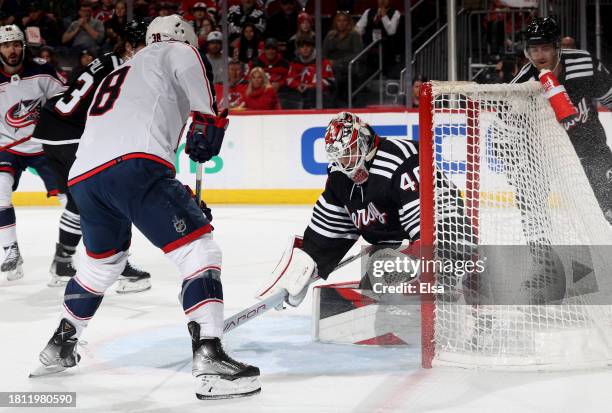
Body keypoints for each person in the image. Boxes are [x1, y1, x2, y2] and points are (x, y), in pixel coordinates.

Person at [31, 14, 261, 400]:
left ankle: (59, 346)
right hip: (135, 167)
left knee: (102, 263)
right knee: (200, 250)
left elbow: (131, 130)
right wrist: (209, 124)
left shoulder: (118, 72)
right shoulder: (177, 50)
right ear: (179, 36)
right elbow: (206, 112)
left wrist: (177, 197)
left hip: (86, 177)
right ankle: (209, 357)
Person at [256, 112, 473, 305]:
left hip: (447, 237)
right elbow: (327, 233)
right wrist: (304, 268)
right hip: (398, 241)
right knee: (378, 275)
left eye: (348, 153)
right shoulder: (340, 177)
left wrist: (417, 262)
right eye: (338, 156)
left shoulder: (402, 159)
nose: (344, 162)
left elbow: (431, 224)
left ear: (364, 142)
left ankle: (464, 297)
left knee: (401, 267)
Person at [32, 20, 152, 291]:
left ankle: (62, 263)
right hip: (72, 135)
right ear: (131, 46)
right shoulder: (126, 68)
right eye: (147, 45)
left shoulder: (107, 60)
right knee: (110, 196)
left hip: (51, 131)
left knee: (79, 199)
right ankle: (119, 267)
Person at [511, 17, 612, 224]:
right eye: (534, 49)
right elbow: (506, 129)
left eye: (545, 48)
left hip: (591, 148)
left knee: (609, 206)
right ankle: (543, 254)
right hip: (545, 157)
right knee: (531, 206)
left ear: (557, 48)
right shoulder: (523, 84)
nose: (539, 55)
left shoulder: (584, 64)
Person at [0, 24, 65, 281]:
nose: (11, 50)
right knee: (0, 193)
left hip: (42, 145)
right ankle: (10, 251)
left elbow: (64, 102)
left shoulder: (42, 71)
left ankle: (65, 256)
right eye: (5, 45)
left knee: (70, 201)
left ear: (23, 46)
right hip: (7, 147)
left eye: (15, 44)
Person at [323, 11, 363, 106]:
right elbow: (324, 53)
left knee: (336, 73)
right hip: (331, 65)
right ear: (335, 22)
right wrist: (327, 62)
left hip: (348, 65)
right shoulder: (330, 35)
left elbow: (358, 54)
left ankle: (337, 102)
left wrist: (337, 62)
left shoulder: (354, 35)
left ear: (349, 22)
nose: (341, 23)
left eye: (344, 21)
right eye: (339, 21)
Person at [286, 36, 334, 109]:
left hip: (319, 95)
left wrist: (311, 86)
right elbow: (289, 80)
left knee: (312, 92)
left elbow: (329, 80)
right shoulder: (295, 62)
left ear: (312, 48)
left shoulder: (323, 61)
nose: (305, 49)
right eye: (302, 47)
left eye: (308, 46)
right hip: (300, 92)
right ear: (298, 49)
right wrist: (298, 85)